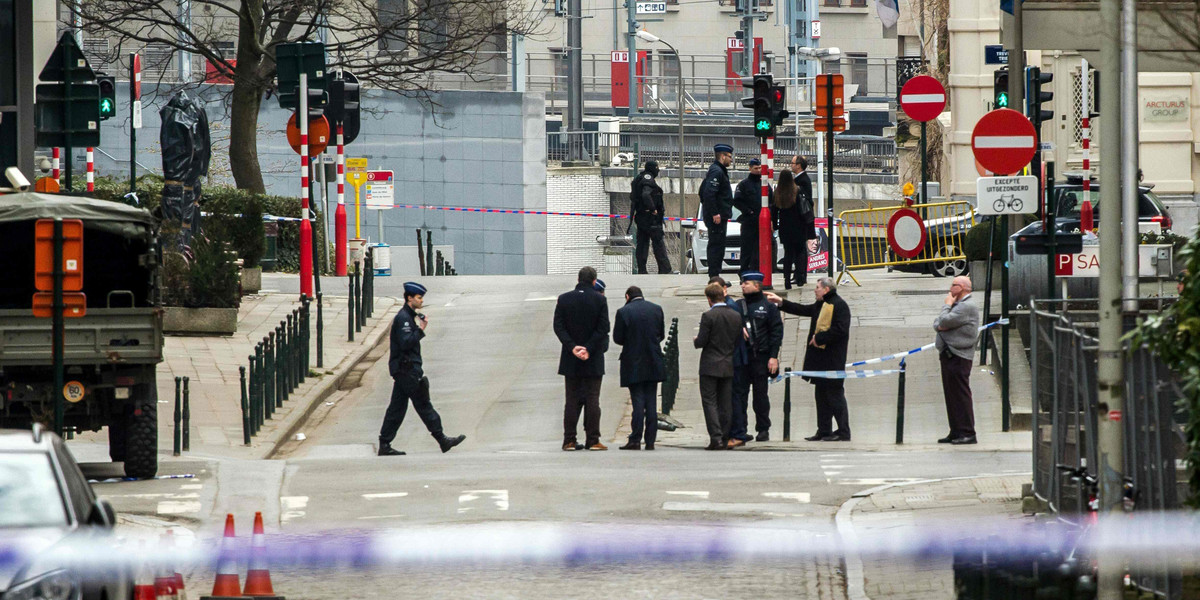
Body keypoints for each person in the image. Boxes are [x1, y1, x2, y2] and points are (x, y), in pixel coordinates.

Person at [378, 282, 467, 456]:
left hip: (405, 370)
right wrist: (421, 330)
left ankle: (384, 443)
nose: (421, 301)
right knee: (423, 404)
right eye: (419, 298)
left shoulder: (408, 316)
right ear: (409, 298)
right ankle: (442, 439)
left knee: (397, 408)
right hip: (406, 370)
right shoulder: (403, 318)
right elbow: (405, 343)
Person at [766, 277, 852, 441]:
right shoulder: (821, 304)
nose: (815, 290)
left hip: (832, 360)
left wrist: (819, 339)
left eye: (817, 287)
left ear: (826, 290)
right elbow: (803, 309)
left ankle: (843, 431)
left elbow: (840, 330)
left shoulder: (839, 305)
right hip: (820, 360)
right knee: (821, 396)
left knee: (835, 396)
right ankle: (824, 430)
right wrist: (781, 302)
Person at [553, 266, 611, 451]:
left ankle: (569, 440)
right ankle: (593, 440)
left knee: (571, 399)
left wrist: (572, 347)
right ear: (594, 281)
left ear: (578, 279)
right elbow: (603, 328)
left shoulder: (564, 299)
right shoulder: (600, 300)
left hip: (571, 358)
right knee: (592, 399)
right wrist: (588, 348)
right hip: (593, 357)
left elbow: (558, 327)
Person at [732, 272, 783, 444]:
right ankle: (741, 429)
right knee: (740, 395)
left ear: (757, 285)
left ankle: (763, 429)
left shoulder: (768, 307)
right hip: (742, 358)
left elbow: (776, 333)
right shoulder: (738, 306)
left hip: (761, 357)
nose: (742, 286)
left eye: (746, 283)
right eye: (742, 283)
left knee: (760, 396)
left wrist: (773, 357)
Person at [613, 286, 665, 450]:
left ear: (627, 296)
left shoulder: (623, 312)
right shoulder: (656, 309)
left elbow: (618, 338)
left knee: (637, 401)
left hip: (633, 361)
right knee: (651, 401)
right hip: (653, 360)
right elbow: (661, 334)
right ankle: (650, 441)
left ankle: (635, 439)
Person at [694, 282, 743, 450]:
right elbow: (737, 340)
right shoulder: (735, 316)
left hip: (709, 364)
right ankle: (725, 435)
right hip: (728, 363)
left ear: (709, 299)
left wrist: (696, 340)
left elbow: (702, 341)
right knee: (725, 402)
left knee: (710, 402)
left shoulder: (708, 316)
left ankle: (715, 438)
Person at [934, 276, 981, 445]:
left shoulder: (966, 306)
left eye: (954, 284)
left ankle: (967, 432)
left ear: (962, 288)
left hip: (959, 356)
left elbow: (944, 320)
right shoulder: (958, 306)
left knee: (960, 395)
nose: (951, 287)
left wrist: (946, 306)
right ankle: (955, 430)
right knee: (951, 394)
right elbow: (937, 323)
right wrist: (944, 319)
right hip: (949, 354)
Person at [777, 157, 818, 288]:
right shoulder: (794, 183)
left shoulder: (802, 182)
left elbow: (806, 203)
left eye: (793, 163)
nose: (791, 165)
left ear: (799, 166)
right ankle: (797, 276)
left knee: (797, 251)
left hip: (796, 223)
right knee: (795, 251)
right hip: (796, 224)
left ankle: (799, 276)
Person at [630, 160, 673, 274]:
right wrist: (653, 209)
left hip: (641, 217)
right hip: (650, 218)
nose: (658, 170)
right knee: (658, 243)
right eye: (656, 168)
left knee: (642, 244)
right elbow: (646, 194)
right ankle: (665, 269)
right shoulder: (648, 179)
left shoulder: (640, 178)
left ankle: (642, 270)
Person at [699, 144, 735, 277]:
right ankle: (714, 276)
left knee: (719, 246)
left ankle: (716, 275)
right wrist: (714, 212)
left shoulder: (718, 170)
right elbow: (708, 193)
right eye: (729, 157)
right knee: (716, 246)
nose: (731, 160)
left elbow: (702, 191)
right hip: (717, 217)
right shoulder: (716, 171)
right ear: (722, 156)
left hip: (719, 215)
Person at [733, 158, 773, 275]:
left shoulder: (764, 184)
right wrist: (748, 212)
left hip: (762, 224)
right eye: (756, 168)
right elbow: (737, 201)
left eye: (760, 168)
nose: (758, 170)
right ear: (750, 168)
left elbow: (772, 201)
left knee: (759, 250)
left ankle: (757, 272)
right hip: (749, 223)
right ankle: (744, 273)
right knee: (747, 250)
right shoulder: (744, 185)